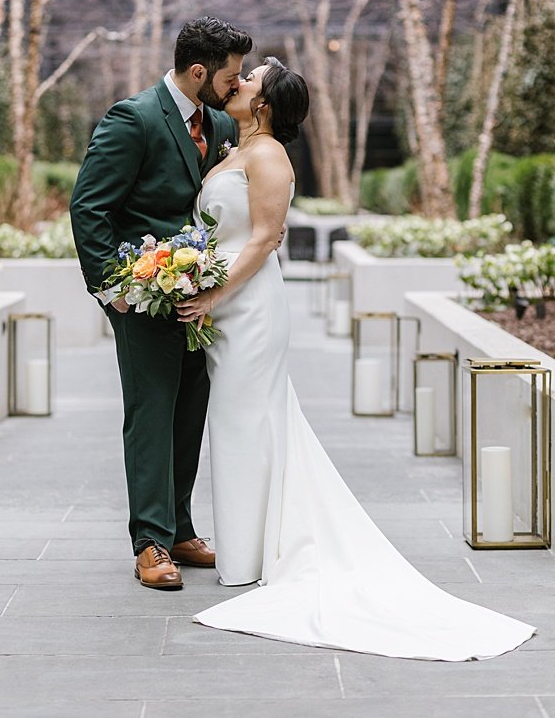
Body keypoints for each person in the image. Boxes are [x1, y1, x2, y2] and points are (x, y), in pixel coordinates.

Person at [176, 57, 535, 660]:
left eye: (249, 81)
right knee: (238, 427)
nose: (235, 84)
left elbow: (264, 239)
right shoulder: (231, 152)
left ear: (263, 105)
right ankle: (248, 550)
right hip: (226, 304)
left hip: (252, 306)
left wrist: (212, 291)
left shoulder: (268, 158)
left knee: (248, 423)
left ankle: (251, 557)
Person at [70, 16, 252, 590]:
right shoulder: (135, 118)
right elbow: (89, 208)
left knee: (190, 411)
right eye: (231, 75)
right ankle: (148, 543)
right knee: (150, 416)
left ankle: (179, 527)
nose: (236, 85)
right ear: (199, 71)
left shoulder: (221, 122)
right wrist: (113, 291)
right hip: (143, 298)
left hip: (203, 300)